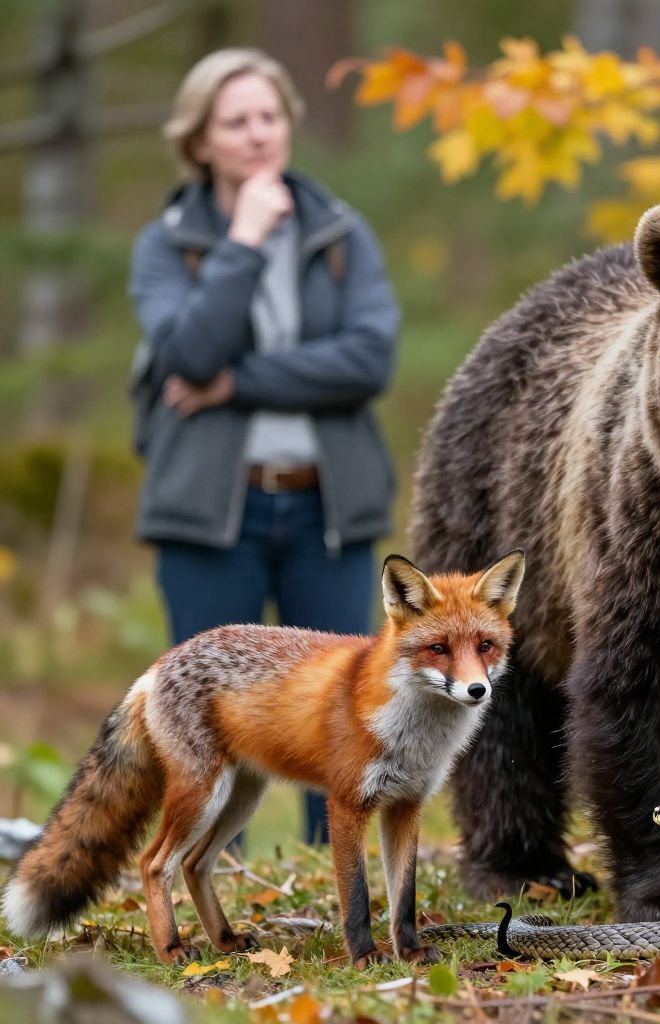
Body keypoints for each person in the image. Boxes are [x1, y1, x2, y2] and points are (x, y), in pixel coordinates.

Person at [128, 48, 400, 844]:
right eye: (235, 121)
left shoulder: (341, 234)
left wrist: (237, 384)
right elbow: (188, 355)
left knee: (345, 708)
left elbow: (368, 359)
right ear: (199, 139)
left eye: (269, 117)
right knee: (216, 721)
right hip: (211, 514)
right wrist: (242, 242)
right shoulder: (167, 244)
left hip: (328, 507)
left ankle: (336, 879)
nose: (256, 135)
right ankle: (224, 879)